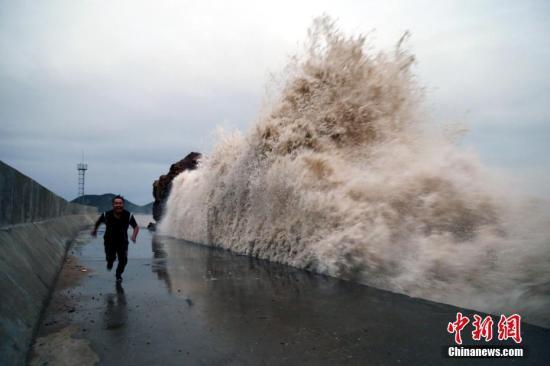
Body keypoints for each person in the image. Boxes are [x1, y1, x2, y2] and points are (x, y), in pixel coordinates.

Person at [91, 195, 139, 282]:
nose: (118, 205)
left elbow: (136, 227)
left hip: (123, 242)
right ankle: (110, 262)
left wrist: (134, 236)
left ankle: (118, 274)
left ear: (123, 204)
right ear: (113, 205)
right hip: (109, 241)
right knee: (110, 257)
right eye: (116, 203)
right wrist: (95, 230)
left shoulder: (128, 215)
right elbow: (98, 222)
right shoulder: (106, 214)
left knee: (123, 260)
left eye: (120, 203)